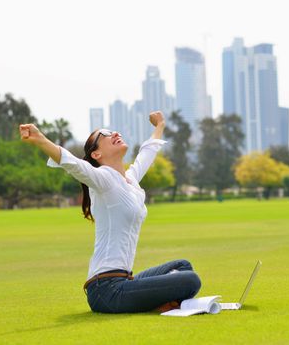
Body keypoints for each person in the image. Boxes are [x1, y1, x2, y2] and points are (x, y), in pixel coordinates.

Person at [19, 111, 201, 313]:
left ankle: (161, 304)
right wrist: (39, 139)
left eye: (113, 131)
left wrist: (159, 125)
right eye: (104, 134)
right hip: (105, 290)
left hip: (124, 280)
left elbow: (146, 154)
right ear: (96, 154)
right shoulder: (102, 179)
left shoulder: (130, 180)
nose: (113, 133)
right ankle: (162, 305)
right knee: (190, 281)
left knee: (184, 266)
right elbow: (73, 164)